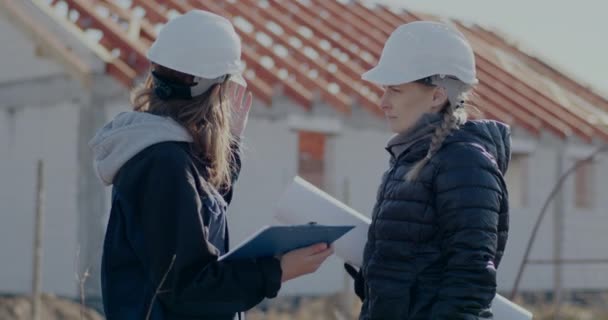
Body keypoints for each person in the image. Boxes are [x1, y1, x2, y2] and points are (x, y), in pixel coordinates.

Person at [89, 10, 333, 320]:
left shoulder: (167, 154)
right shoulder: (163, 163)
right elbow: (190, 289)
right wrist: (277, 271)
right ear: (219, 91)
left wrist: (227, 148)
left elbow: (197, 216)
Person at [344, 21, 511, 319]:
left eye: (394, 90)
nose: (383, 102)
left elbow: (470, 281)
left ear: (437, 95)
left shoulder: (466, 164)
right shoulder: (408, 160)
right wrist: (377, 280)